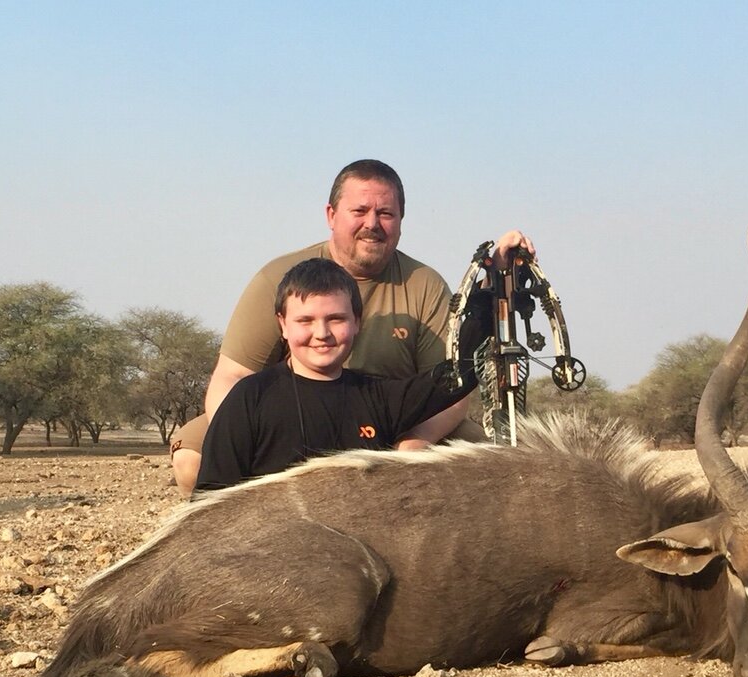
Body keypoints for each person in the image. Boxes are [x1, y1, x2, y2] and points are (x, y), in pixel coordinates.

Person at [171, 158, 534, 494]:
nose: (372, 224)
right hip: (286, 416)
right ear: (331, 214)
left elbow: (450, 385)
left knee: (493, 474)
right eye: (359, 211)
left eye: (386, 213)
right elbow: (231, 376)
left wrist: (413, 445)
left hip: (394, 417)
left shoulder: (425, 284)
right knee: (194, 463)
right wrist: (244, 434)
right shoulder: (276, 277)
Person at [194, 258, 488, 493]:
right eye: (305, 320)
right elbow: (209, 498)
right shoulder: (249, 398)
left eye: (336, 319)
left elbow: (457, 375)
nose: (321, 334)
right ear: (282, 325)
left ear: (357, 322)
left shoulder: (377, 397)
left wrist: (492, 287)